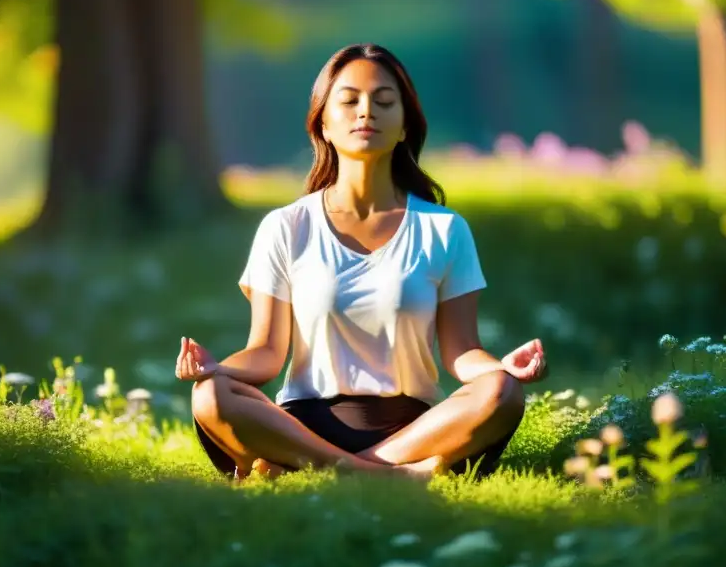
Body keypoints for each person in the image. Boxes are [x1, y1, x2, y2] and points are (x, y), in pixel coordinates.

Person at [175, 43, 548, 482]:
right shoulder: (286, 226)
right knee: (210, 396)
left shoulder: (444, 230)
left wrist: (502, 369)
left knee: (502, 394)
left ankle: (312, 472)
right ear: (323, 125)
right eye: (349, 101)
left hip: (413, 428)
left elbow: (461, 351)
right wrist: (217, 370)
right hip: (303, 423)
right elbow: (267, 353)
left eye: (384, 101)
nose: (366, 112)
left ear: (405, 125)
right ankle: (393, 477)